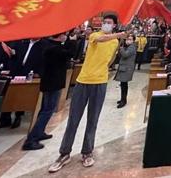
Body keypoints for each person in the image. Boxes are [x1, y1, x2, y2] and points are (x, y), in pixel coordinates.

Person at [49, 14, 125, 172]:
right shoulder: (95, 35)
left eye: (109, 23)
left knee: (93, 119)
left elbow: (111, 60)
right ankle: (64, 153)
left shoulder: (115, 42)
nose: (106, 24)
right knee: (73, 119)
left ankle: (87, 151)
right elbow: (101, 40)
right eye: (104, 22)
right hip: (83, 81)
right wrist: (119, 34)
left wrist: (102, 69)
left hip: (100, 82)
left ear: (114, 25)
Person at [22, 32, 77, 150]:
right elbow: (71, 53)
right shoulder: (55, 49)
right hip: (54, 82)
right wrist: (72, 41)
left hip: (47, 81)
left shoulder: (45, 44)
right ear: (60, 36)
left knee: (44, 109)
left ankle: (40, 132)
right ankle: (31, 139)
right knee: (48, 110)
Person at [0, 37, 46, 129]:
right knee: (10, 94)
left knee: (22, 95)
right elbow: (14, 54)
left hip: (30, 72)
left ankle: (18, 116)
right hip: (16, 70)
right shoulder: (22, 41)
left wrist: (39, 73)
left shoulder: (44, 45)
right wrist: (12, 53)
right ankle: (5, 118)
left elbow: (44, 62)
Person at [114, 34, 137, 108]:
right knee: (123, 85)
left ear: (133, 40)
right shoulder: (127, 46)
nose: (128, 40)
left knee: (124, 85)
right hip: (124, 68)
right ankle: (122, 99)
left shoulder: (132, 47)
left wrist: (121, 48)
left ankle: (124, 101)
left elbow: (125, 55)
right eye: (127, 39)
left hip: (127, 69)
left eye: (130, 39)